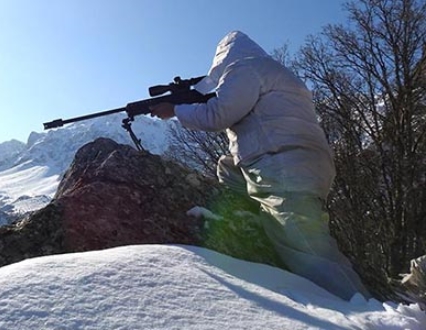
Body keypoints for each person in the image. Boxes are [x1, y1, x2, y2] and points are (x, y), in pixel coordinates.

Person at [150, 30, 370, 300]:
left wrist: (175, 110)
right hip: (300, 160)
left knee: (306, 245)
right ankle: (253, 215)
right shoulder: (274, 71)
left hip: (283, 164)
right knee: (228, 167)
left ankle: (361, 309)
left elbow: (218, 115)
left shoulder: (244, 69)